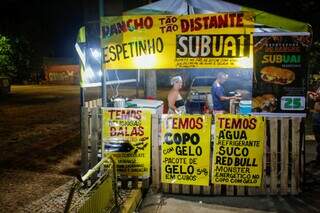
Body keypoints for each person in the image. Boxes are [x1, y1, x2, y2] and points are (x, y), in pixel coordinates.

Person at [308, 86, 320, 162]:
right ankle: (318, 159)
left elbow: (317, 98)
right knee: (318, 139)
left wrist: (312, 95)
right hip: (317, 116)